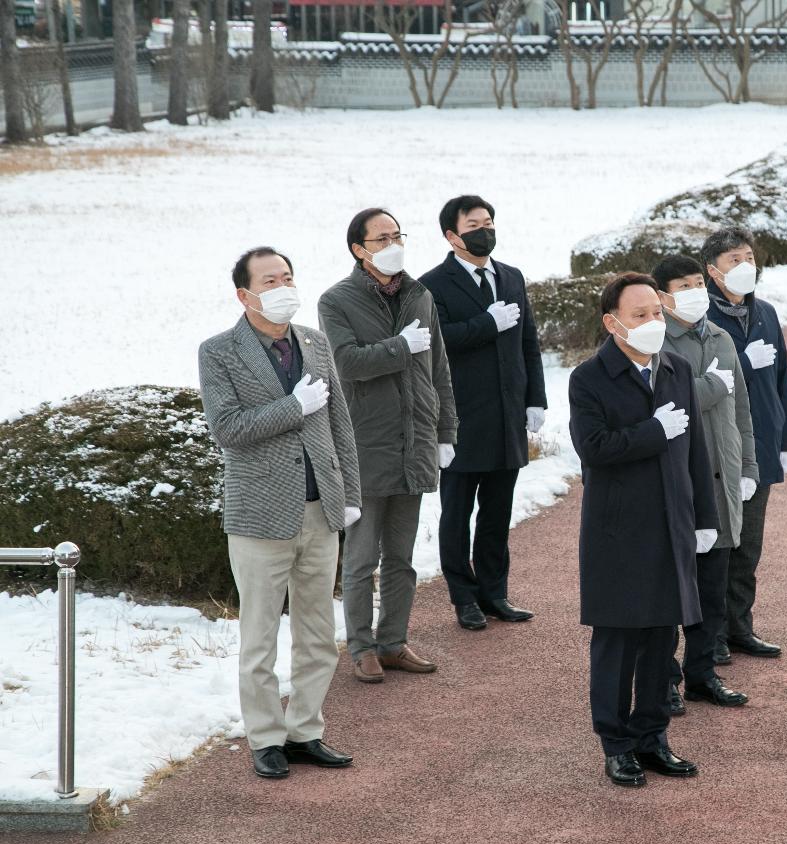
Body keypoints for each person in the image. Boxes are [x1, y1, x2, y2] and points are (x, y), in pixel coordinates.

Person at [198, 246, 361, 779]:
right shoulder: (219, 351)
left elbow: (340, 426)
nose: (283, 285)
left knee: (317, 633)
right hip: (260, 517)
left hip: (321, 511)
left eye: (288, 276)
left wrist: (350, 494)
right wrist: (293, 407)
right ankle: (266, 738)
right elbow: (227, 429)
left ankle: (306, 730)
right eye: (271, 279)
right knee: (260, 636)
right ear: (245, 294)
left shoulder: (314, 343)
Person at [568, 272, 719, 788]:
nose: (653, 322)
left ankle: (653, 736)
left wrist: (705, 520)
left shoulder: (676, 368)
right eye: (640, 315)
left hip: (672, 523)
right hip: (618, 529)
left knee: (661, 636)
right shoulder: (589, 378)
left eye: (657, 312)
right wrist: (653, 432)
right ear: (613, 324)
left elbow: (696, 450)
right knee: (619, 639)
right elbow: (595, 448)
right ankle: (616, 744)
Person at [318, 208, 458, 684]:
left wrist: (446, 432)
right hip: (365, 446)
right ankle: (361, 646)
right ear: (359, 249)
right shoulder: (336, 300)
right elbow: (346, 364)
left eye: (398, 234)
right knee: (361, 559)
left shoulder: (420, 294)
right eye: (382, 238)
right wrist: (399, 346)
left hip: (415, 441)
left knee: (402, 557)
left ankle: (393, 641)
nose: (394, 243)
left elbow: (439, 368)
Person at [418, 195, 547, 631]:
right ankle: (463, 597)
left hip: (508, 415)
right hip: (461, 419)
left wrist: (536, 399)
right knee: (457, 512)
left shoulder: (511, 277)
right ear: (453, 236)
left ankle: (495, 592)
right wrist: (487, 324)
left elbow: (528, 340)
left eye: (488, 222)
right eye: (474, 224)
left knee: (498, 510)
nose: (484, 230)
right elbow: (436, 342)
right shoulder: (431, 284)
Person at [651, 255, 758, 716]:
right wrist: (710, 387)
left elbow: (742, 412)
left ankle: (702, 674)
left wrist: (749, 466)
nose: (696, 291)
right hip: (680, 483)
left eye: (700, 283)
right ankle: (665, 679)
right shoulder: (656, 344)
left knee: (713, 587)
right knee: (675, 588)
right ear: (662, 295)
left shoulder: (720, 337)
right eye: (684, 284)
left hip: (723, 476)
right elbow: (665, 402)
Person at [703, 227, 787, 664]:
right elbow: (693, 379)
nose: (745, 267)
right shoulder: (700, 319)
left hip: (762, 446)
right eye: (733, 261)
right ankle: (713, 635)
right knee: (722, 543)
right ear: (712, 271)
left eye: (748, 257)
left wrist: (786, 440)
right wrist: (741, 362)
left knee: (749, 546)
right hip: (720, 449)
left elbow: (783, 383)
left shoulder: (767, 314)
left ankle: (741, 627)